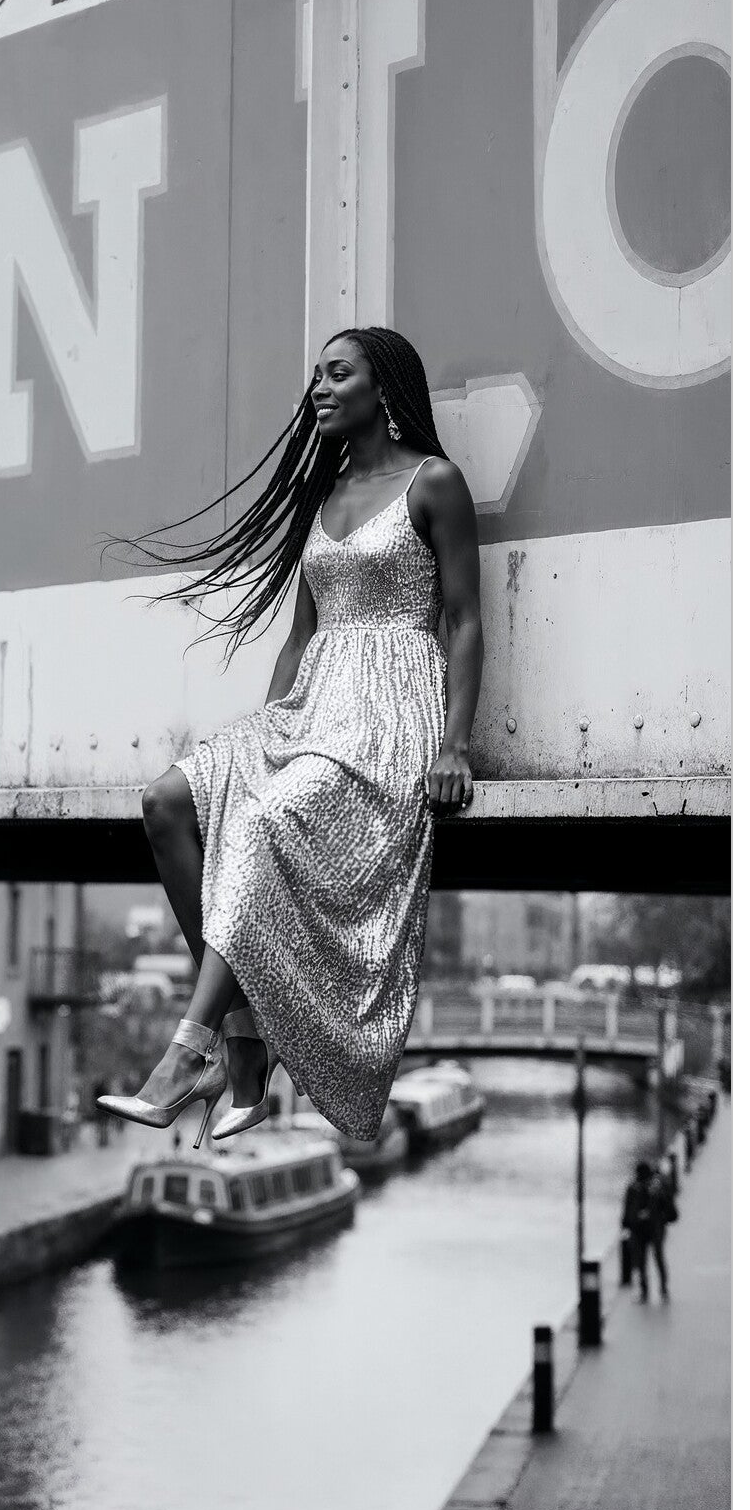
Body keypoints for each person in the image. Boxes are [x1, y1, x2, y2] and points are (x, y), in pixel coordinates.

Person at [94, 327, 483, 1148]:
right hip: (310, 704)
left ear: (385, 390)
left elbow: (464, 619)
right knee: (169, 801)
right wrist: (267, 726)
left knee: (265, 824)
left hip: (387, 709)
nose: (318, 389)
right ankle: (241, 1035)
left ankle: (189, 1052)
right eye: (315, 375)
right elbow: (299, 635)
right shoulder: (324, 496)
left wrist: (453, 741)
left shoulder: (433, 482)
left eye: (337, 374)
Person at [622, 1158, 672, 1303]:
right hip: (654, 1229)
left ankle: (647, 1292)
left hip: (643, 1230)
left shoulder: (635, 1187)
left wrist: (626, 1225)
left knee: (645, 1260)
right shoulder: (656, 1185)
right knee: (657, 1258)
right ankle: (662, 1289)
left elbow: (626, 1210)